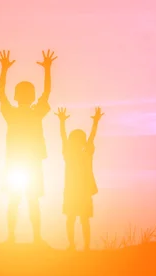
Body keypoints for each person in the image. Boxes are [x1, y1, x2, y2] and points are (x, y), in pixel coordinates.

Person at [0, 49, 56, 244]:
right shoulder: (30, 113)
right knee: (29, 201)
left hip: (23, 162)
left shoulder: (14, 113)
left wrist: (4, 70)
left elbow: (0, 94)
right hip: (23, 162)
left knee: (23, 201)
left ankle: (21, 237)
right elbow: (46, 93)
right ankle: (27, 237)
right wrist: (47, 70)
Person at [56, 106, 103, 251]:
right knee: (81, 219)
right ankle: (83, 246)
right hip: (80, 191)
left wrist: (62, 122)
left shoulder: (70, 154)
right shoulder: (84, 153)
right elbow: (90, 137)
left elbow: (64, 137)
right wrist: (95, 122)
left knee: (74, 219)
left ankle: (75, 245)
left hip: (74, 191)